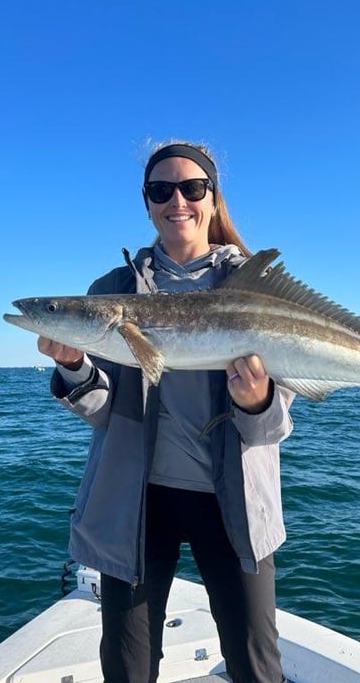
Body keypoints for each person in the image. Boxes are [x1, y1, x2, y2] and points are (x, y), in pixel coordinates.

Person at [37, 141, 295, 683]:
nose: (177, 200)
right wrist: (77, 369)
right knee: (127, 668)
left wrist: (258, 401)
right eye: (161, 190)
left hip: (233, 503)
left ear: (212, 197)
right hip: (137, 501)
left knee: (256, 665)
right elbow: (106, 410)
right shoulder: (111, 291)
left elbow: (274, 425)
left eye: (191, 187)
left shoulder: (251, 282)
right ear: (147, 202)